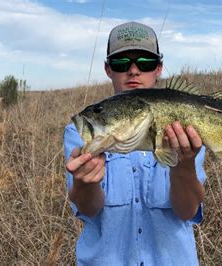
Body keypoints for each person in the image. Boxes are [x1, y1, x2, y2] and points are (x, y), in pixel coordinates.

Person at [64, 21, 206, 265]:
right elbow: (88, 209)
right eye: (121, 63)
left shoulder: (185, 125)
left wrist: (184, 166)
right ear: (108, 69)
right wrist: (85, 183)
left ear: (159, 68)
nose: (133, 71)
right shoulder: (84, 131)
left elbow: (187, 211)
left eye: (145, 63)